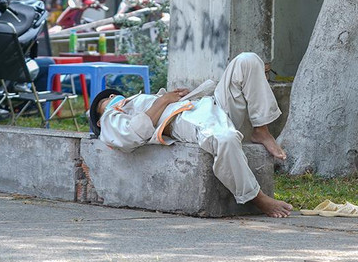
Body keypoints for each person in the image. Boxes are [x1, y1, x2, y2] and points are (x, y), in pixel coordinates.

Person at [90, 51, 294, 218]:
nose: (111, 97)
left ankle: (261, 130)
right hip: (185, 120)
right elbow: (131, 134)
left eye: (112, 95)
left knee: (246, 61)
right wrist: (163, 101)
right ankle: (255, 197)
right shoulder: (110, 119)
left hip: (207, 104)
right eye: (104, 101)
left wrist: (176, 96)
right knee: (226, 139)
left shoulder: (137, 101)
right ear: (100, 120)